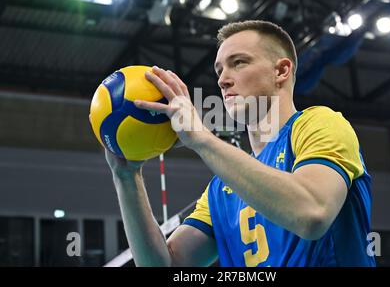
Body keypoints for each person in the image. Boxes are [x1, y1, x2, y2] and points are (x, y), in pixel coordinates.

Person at [105, 20, 375, 267]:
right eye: (219, 69)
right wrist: (126, 178)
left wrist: (200, 137)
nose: (222, 80)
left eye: (239, 63)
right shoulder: (221, 188)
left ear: (281, 70)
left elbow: (312, 213)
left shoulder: (319, 124)